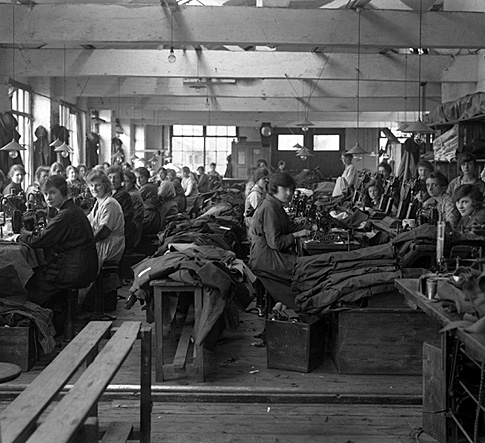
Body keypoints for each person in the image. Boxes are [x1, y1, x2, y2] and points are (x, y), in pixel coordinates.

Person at [16, 175, 98, 308]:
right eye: (46, 194)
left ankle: (37, 320)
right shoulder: (71, 210)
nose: (48, 198)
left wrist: (20, 234)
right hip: (83, 266)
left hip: (75, 271)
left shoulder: (66, 215)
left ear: (64, 192)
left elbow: (38, 240)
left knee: (29, 280)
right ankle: (57, 317)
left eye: (53, 193)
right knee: (39, 271)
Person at [249, 172, 310, 308]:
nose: (289, 193)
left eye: (291, 189)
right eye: (285, 189)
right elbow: (276, 243)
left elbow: (288, 226)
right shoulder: (270, 208)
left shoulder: (275, 204)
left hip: (268, 255)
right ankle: (304, 307)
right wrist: (297, 235)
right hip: (265, 259)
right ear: (274, 188)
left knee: (305, 267)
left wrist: (310, 227)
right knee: (305, 272)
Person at [85, 170, 125, 271]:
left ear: (105, 185)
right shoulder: (98, 202)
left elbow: (104, 231)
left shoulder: (109, 203)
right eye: (91, 185)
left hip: (109, 245)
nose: (94, 188)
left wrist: (87, 242)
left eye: (97, 185)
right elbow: (87, 221)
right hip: (102, 244)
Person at [107, 166, 135, 254]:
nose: (112, 180)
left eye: (116, 178)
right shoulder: (111, 193)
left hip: (122, 233)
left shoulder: (123, 195)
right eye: (110, 177)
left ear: (121, 180)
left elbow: (126, 216)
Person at [135, 166, 161, 235]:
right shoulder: (149, 186)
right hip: (151, 217)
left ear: (147, 177)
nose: (138, 180)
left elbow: (135, 200)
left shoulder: (146, 187)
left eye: (141, 177)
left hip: (149, 218)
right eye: (136, 178)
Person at [244, 167, 269, 233]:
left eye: (267, 178)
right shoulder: (255, 194)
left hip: (256, 221)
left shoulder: (261, 191)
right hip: (252, 223)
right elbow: (260, 213)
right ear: (257, 180)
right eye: (263, 178)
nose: (266, 180)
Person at [124, 170, 144, 248]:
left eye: (127, 181)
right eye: (123, 181)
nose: (124, 184)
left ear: (132, 182)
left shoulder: (132, 195)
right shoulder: (132, 192)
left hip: (134, 227)